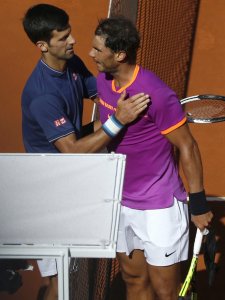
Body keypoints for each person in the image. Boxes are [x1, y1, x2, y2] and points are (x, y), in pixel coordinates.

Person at [21, 4, 150, 300]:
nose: (73, 41)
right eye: (63, 38)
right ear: (43, 45)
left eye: (70, 34)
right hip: (50, 193)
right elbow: (72, 151)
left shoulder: (71, 63)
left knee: (75, 269)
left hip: (72, 176)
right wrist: (119, 120)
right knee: (60, 279)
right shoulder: (43, 96)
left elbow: (104, 93)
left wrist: (144, 98)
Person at [89, 17, 213, 300]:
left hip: (159, 206)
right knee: (133, 280)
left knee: (165, 291)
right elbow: (109, 127)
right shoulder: (103, 80)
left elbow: (188, 147)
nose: (91, 54)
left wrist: (198, 204)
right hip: (120, 201)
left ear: (119, 55)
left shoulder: (155, 93)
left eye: (97, 49)